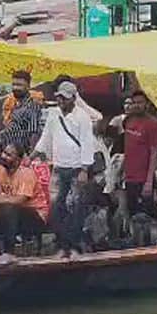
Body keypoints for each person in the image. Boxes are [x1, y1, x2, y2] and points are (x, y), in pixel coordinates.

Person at [35, 81, 97, 259]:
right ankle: (62, 245)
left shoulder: (83, 117)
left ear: (73, 98)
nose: (61, 101)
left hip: (77, 169)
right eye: (59, 97)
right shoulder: (53, 114)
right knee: (56, 208)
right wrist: (33, 155)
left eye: (65, 98)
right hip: (59, 168)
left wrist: (85, 168)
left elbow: (87, 143)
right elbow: (45, 139)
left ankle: (73, 245)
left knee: (76, 208)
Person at [0, 143, 50, 263]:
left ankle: (9, 253)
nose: (3, 156)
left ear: (18, 160)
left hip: (36, 215)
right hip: (13, 215)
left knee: (9, 208)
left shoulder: (27, 173)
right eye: (4, 153)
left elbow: (20, 200)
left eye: (9, 155)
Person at [120, 90, 157, 218]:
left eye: (140, 102)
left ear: (147, 104)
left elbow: (154, 153)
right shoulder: (128, 121)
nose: (136, 105)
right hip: (129, 178)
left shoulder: (153, 124)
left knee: (144, 217)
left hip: (143, 179)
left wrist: (149, 182)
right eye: (134, 103)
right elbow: (127, 149)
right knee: (131, 214)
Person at [0, 69, 45, 156]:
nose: (15, 88)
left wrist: (30, 157)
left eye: (19, 85)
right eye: (14, 84)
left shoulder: (32, 106)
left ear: (28, 86)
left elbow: (34, 134)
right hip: (7, 152)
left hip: (21, 155)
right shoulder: (14, 104)